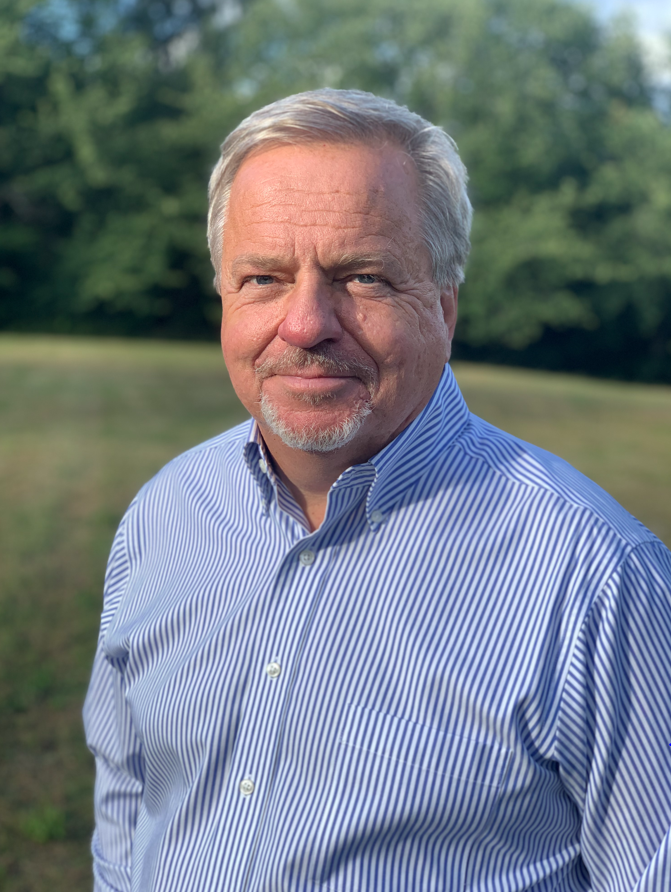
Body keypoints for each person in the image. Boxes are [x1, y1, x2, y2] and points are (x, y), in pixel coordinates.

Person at [84, 89, 671, 892]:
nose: (303, 325)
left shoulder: (597, 579)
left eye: (361, 277)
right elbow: (129, 797)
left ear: (443, 305)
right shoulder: (165, 515)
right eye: (263, 278)